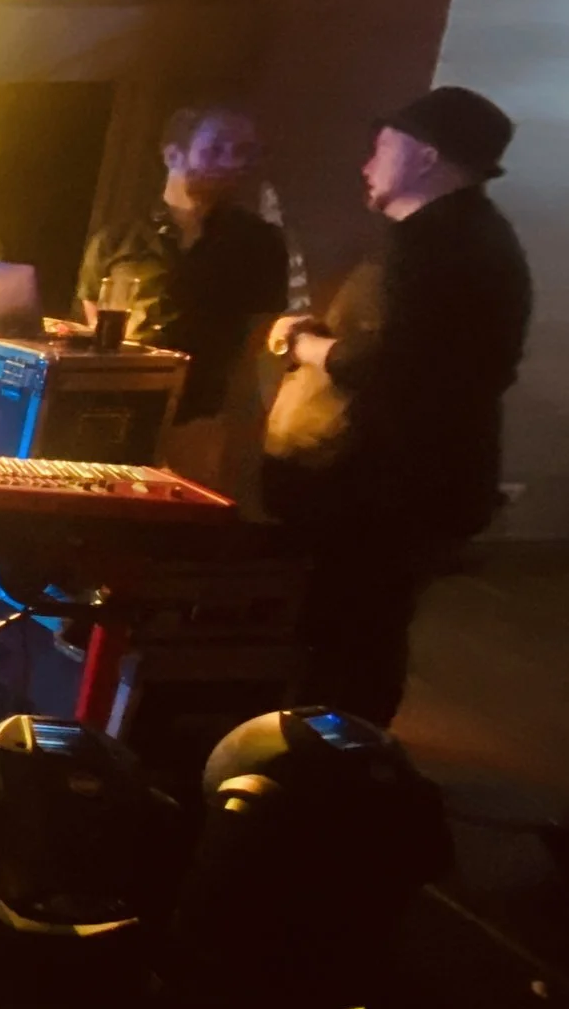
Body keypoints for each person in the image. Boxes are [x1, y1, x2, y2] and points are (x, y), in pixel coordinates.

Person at [262, 86, 532, 727]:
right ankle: (337, 763)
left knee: (349, 641)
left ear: (424, 157)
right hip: (421, 486)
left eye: (382, 148)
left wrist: (303, 343)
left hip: (385, 494)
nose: (366, 164)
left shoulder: (431, 246)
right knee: (365, 635)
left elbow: (383, 366)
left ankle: (325, 779)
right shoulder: (477, 236)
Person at [75, 107, 288, 486]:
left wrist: (237, 428)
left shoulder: (260, 243)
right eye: (216, 149)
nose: (232, 162)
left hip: (202, 419)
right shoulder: (117, 237)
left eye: (244, 151)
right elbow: (92, 320)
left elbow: (261, 339)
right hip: (116, 411)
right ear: (172, 154)